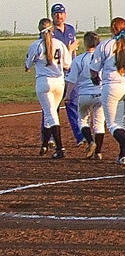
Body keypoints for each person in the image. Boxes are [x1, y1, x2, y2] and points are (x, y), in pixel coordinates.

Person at [92, 17, 125, 165]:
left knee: (113, 124)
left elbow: (94, 70)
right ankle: (123, 156)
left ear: (112, 29)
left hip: (112, 86)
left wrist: (94, 79)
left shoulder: (105, 46)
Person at [25, 18, 72, 158]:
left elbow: (28, 64)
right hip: (59, 82)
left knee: (51, 115)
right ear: (52, 29)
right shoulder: (60, 44)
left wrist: (29, 66)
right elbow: (67, 65)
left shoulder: (36, 45)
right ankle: (45, 144)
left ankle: (60, 148)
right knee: (50, 114)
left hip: (44, 82)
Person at [65, 31, 106, 160]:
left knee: (82, 121)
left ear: (85, 43)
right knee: (99, 124)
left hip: (84, 95)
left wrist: (67, 96)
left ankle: (90, 142)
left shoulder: (79, 59)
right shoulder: (103, 59)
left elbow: (71, 80)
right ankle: (98, 152)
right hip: (100, 93)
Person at [49, 3, 83, 145]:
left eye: (61, 13)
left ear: (65, 14)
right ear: (52, 16)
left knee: (72, 103)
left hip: (70, 73)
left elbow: (74, 50)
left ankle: (79, 136)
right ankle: (50, 136)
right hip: (56, 73)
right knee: (52, 106)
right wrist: (69, 50)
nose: (59, 16)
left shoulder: (70, 29)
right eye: (56, 13)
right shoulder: (49, 32)